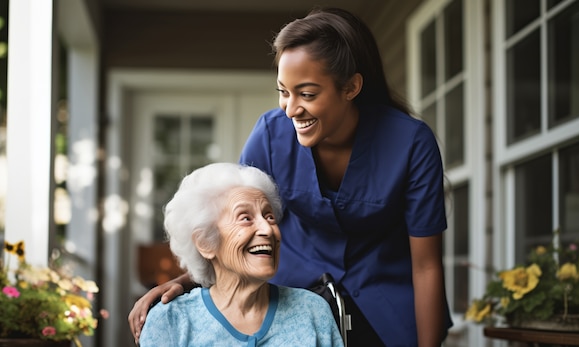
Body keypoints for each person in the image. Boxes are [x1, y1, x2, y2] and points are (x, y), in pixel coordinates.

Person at [130, 7, 453, 346]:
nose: (291, 108)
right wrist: (186, 281)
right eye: (284, 91)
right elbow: (232, 229)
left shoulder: (411, 142)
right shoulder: (270, 135)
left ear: (351, 87)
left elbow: (427, 266)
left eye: (308, 94)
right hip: (293, 308)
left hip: (387, 310)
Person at [138, 163, 344, 346]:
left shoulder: (313, 312)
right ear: (205, 243)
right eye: (245, 218)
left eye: (269, 216)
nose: (268, 229)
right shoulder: (170, 321)